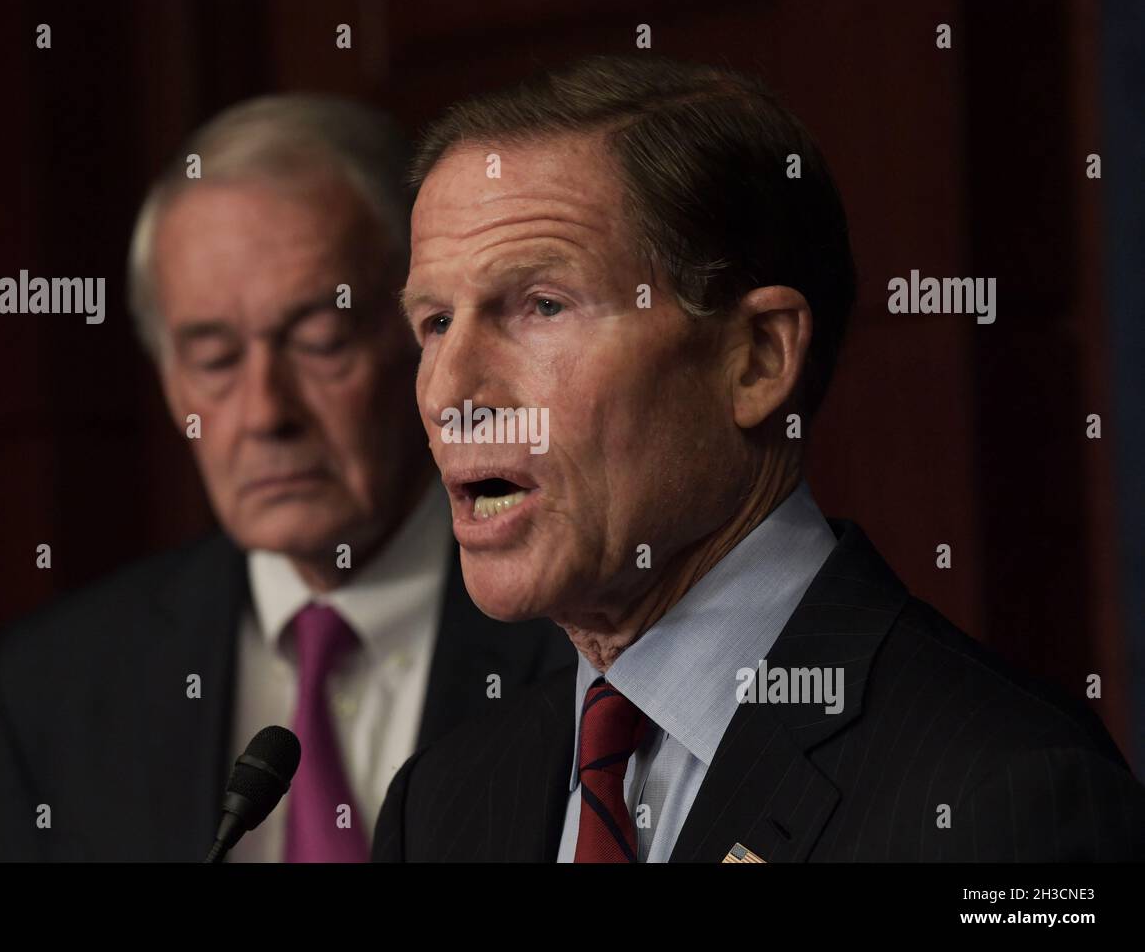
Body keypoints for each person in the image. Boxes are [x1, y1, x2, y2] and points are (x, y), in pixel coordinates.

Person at [375, 56, 1145, 862]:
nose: (450, 393)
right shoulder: (438, 806)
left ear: (757, 360)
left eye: (541, 306)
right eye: (433, 324)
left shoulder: (1007, 804)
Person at [0, 95, 573, 862]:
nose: (265, 412)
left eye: (320, 341)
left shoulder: (580, 622)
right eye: (214, 359)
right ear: (168, 380)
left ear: (422, 337)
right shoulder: (49, 691)